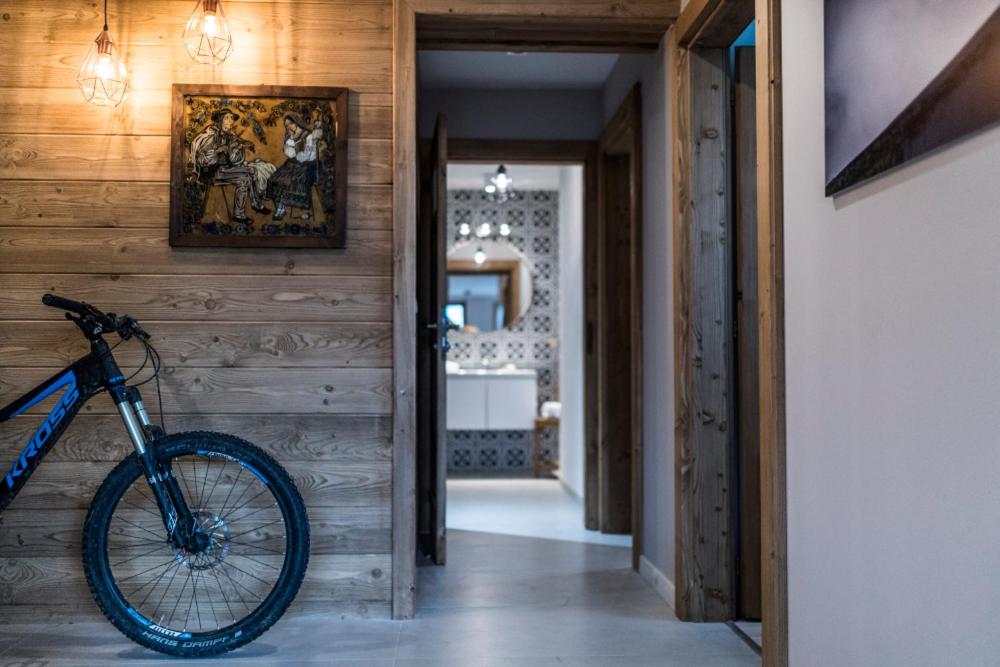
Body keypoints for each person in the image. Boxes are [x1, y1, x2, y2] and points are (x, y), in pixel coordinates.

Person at [190, 108, 271, 223]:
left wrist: (239, 147)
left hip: (225, 170)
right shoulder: (211, 135)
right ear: (220, 120)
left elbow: (234, 160)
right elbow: (202, 159)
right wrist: (218, 151)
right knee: (244, 178)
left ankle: (255, 204)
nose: (231, 121)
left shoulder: (230, 136)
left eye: (232, 118)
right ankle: (240, 214)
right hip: (212, 173)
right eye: (227, 118)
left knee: (252, 171)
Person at [266, 114, 323, 221]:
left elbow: (306, 156)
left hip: (308, 165)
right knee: (274, 179)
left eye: (291, 123)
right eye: (286, 125)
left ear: (297, 123)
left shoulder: (308, 136)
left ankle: (282, 207)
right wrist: (291, 140)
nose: (289, 126)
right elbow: (289, 154)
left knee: (290, 181)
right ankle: (280, 207)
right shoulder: (290, 136)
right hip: (293, 164)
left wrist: (296, 153)